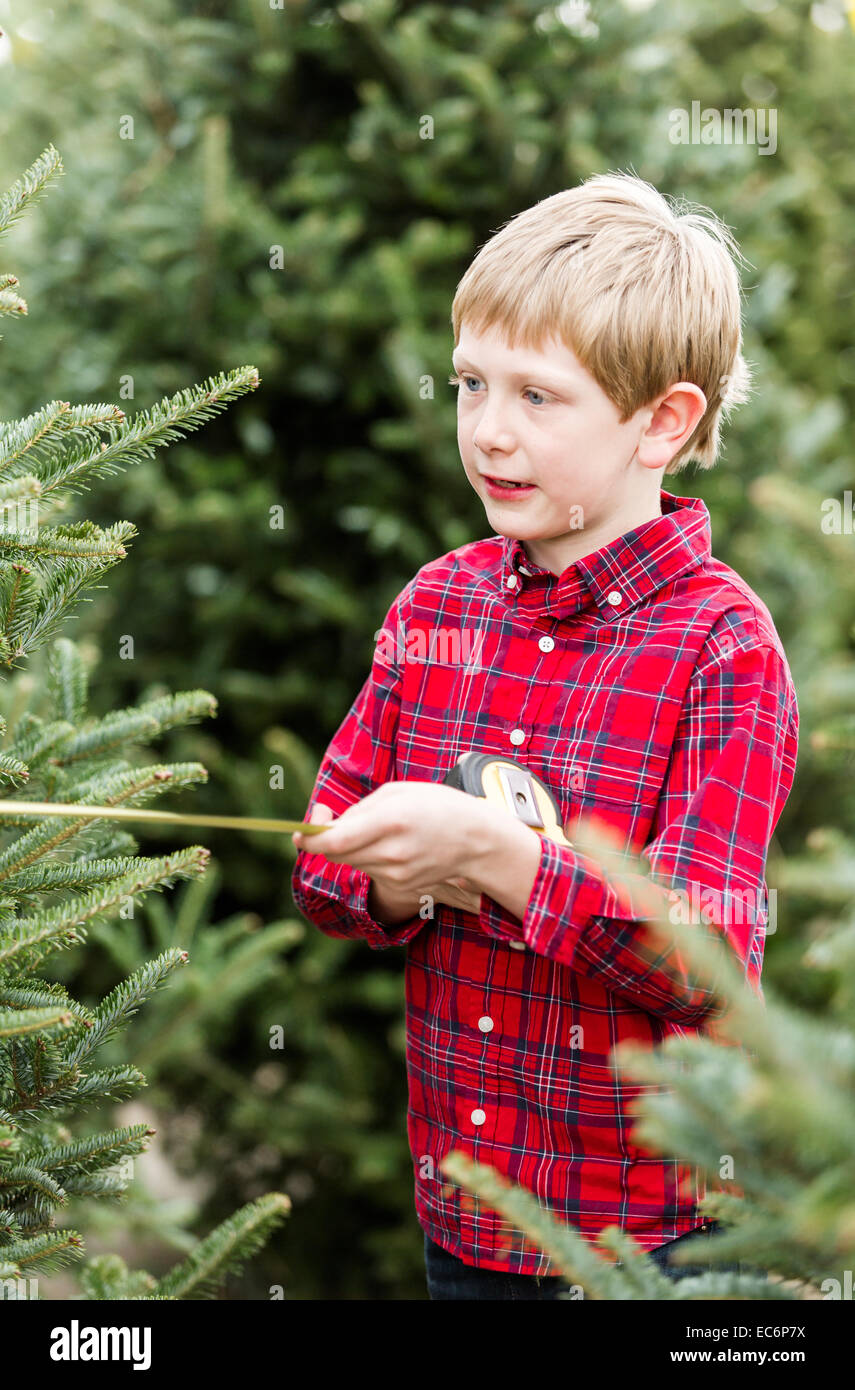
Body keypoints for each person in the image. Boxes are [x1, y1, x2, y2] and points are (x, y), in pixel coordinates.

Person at [290, 172, 799, 1300]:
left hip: (654, 1239)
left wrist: (497, 861)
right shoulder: (439, 607)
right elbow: (323, 871)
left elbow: (708, 955)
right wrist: (391, 878)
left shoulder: (723, 650)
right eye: (471, 382)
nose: (488, 431)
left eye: (537, 396)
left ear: (663, 420)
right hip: (468, 1217)